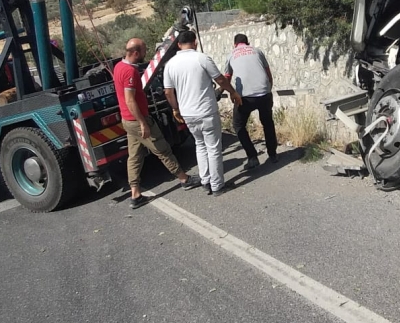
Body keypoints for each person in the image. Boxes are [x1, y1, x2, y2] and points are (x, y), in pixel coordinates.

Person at [113, 38, 200, 209]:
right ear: (136, 52)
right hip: (138, 120)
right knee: (162, 150)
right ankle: (184, 179)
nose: (146, 53)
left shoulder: (118, 67)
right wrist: (143, 123)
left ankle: (135, 194)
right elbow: (130, 101)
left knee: (135, 157)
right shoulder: (129, 72)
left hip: (127, 121)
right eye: (144, 49)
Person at [163, 30, 242, 197]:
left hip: (188, 113)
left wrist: (176, 109)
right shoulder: (201, 58)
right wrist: (233, 92)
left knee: (200, 145)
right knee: (213, 148)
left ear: (178, 45)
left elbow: (168, 92)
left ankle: (205, 181)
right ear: (195, 42)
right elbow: (220, 79)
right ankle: (217, 185)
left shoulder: (170, 64)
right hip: (206, 110)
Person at [224, 33, 278, 169]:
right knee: (268, 123)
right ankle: (273, 154)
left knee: (238, 126)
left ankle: (252, 157)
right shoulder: (257, 51)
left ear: (234, 44)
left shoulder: (231, 54)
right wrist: (268, 89)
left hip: (245, 97)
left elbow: (227, 77)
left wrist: (231, 93)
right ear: (248, 43)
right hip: (264, 93)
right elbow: (267, 72)